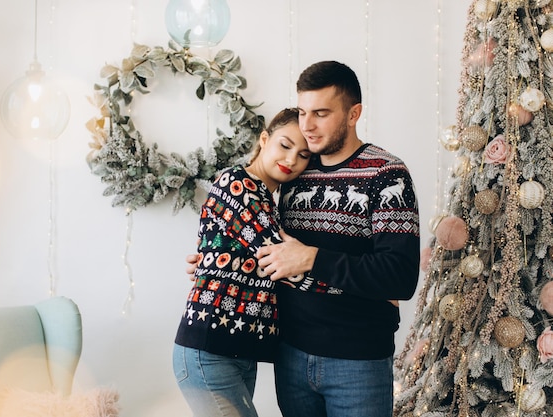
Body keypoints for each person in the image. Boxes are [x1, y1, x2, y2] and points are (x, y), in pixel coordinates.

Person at [255, 61, 420, 417]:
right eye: (302, 112)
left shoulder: (386, 174)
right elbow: (273, 246)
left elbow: (401, 276)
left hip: (357, 361)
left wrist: (314, 258)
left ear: (353, 113)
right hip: (291, 355)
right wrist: (216, 260)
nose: (307, 126)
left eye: (321, 113)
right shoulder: (295, 170)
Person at [173, 108, 312, 417]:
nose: (291, 160)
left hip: (238, 349)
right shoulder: (238, 183)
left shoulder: (269, 200)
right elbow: (279, 257)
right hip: (209, 348)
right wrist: (355, 284)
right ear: (264, 139)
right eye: (285, 145)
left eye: (303, 154)